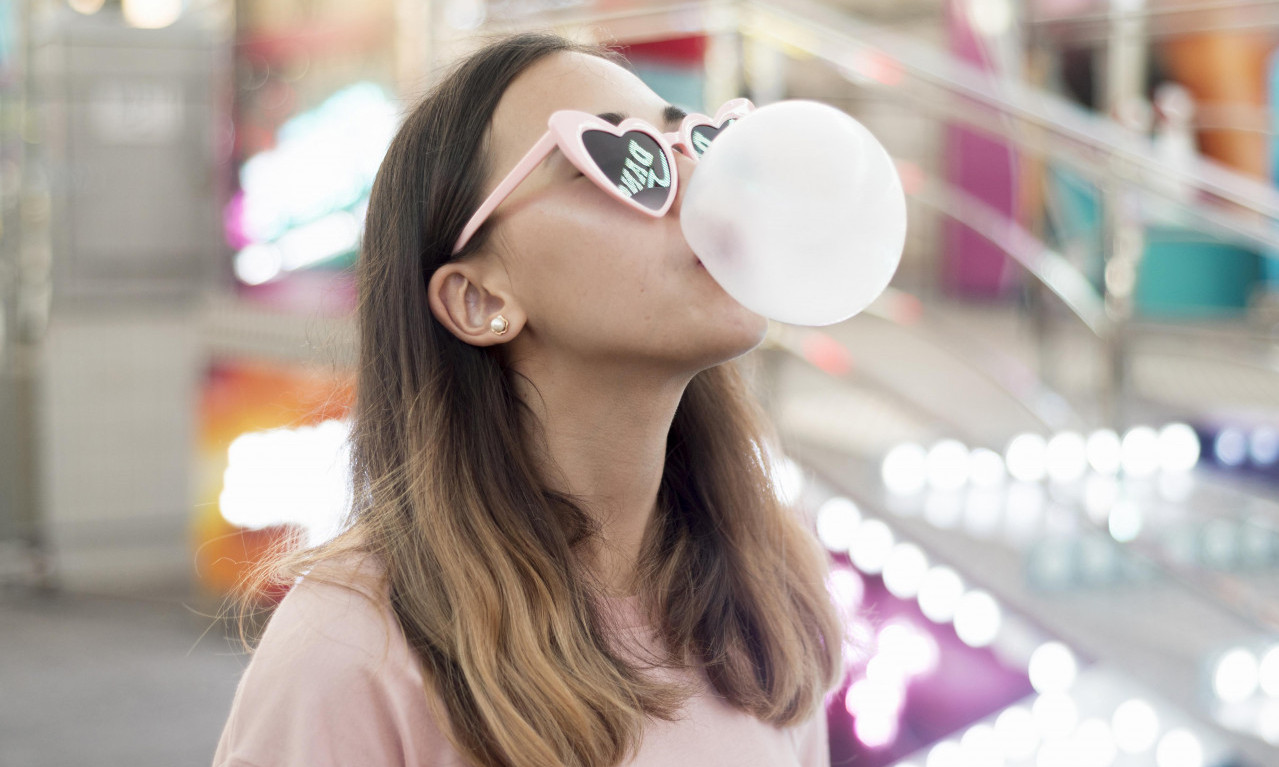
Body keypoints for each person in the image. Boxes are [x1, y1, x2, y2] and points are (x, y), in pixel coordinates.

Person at [213, 32, 843, 767]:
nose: (701, 183)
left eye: (701, 140)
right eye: (622, 160)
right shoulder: (350, 651)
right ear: (479, 297)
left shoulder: (769, 587)